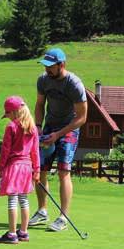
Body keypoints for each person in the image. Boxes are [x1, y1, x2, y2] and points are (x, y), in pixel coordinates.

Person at [30, 48, 87, 232]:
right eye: (45, 66)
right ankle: (42, 210)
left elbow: (82, 117)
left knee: (63, 171)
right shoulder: (43, 80)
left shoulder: (74, 84)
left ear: (61, 65)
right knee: (41, 169)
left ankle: (63, 217)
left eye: (50, 66)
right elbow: (39, 104)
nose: (47, 69)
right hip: (49, 127)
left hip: (69, 129)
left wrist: (59, 134)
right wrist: (38, 126)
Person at [0, 96, 40, 244]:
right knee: (24, 199)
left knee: (12, 200)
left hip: (14, 167)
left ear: (14, 112)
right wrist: (37, 170)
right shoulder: (32, 127)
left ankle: (12, 234)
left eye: (7, 114)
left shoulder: (11, 127)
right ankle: (23, 232)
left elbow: (5, 151)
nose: (7, 118)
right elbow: (35, 152)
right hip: (27, 167)